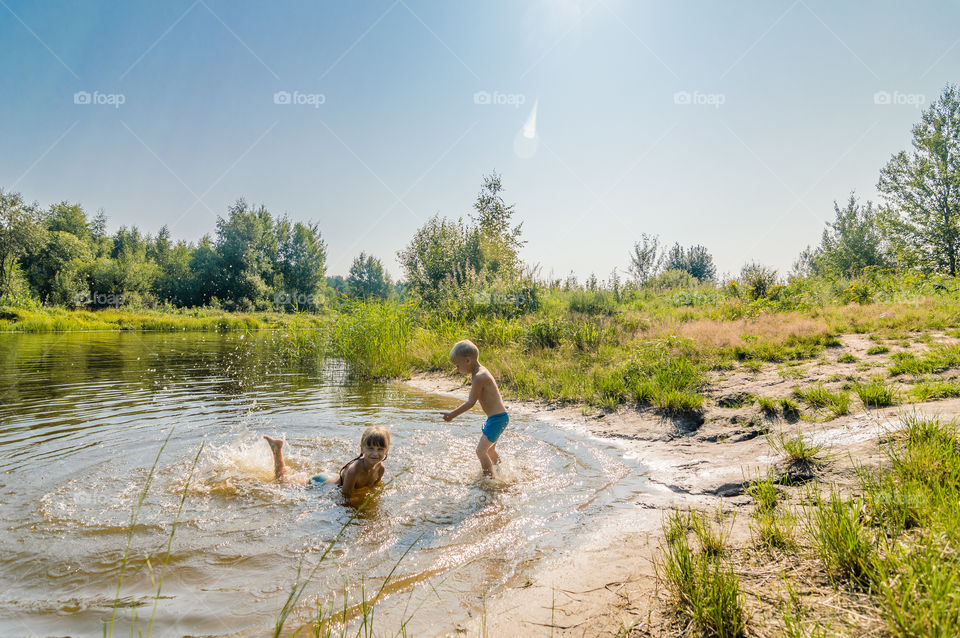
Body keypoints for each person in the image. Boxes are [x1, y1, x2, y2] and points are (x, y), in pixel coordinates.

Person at [441, 339, 508, 477]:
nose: (457, 369)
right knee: (489, 451)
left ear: (467, 361)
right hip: (497, 418)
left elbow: (471, 402)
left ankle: (489, 479)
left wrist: (452, 415)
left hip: (497, 419)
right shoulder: (479, 372)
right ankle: (501, 472)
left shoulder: (479, 376)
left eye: (457, 365)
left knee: (480, 451)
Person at [263, 426, 390, 498]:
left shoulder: (381, 468)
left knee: (288, 479)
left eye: (380, 449)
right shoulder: (354, 470)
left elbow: (374, 488)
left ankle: (277, 449)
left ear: (386, 450)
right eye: (370, 448)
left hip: (334, 477)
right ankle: (276, 449)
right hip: (323, 483)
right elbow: (345, 497)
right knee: (282, 481)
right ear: (362, 448)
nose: (375, 453)